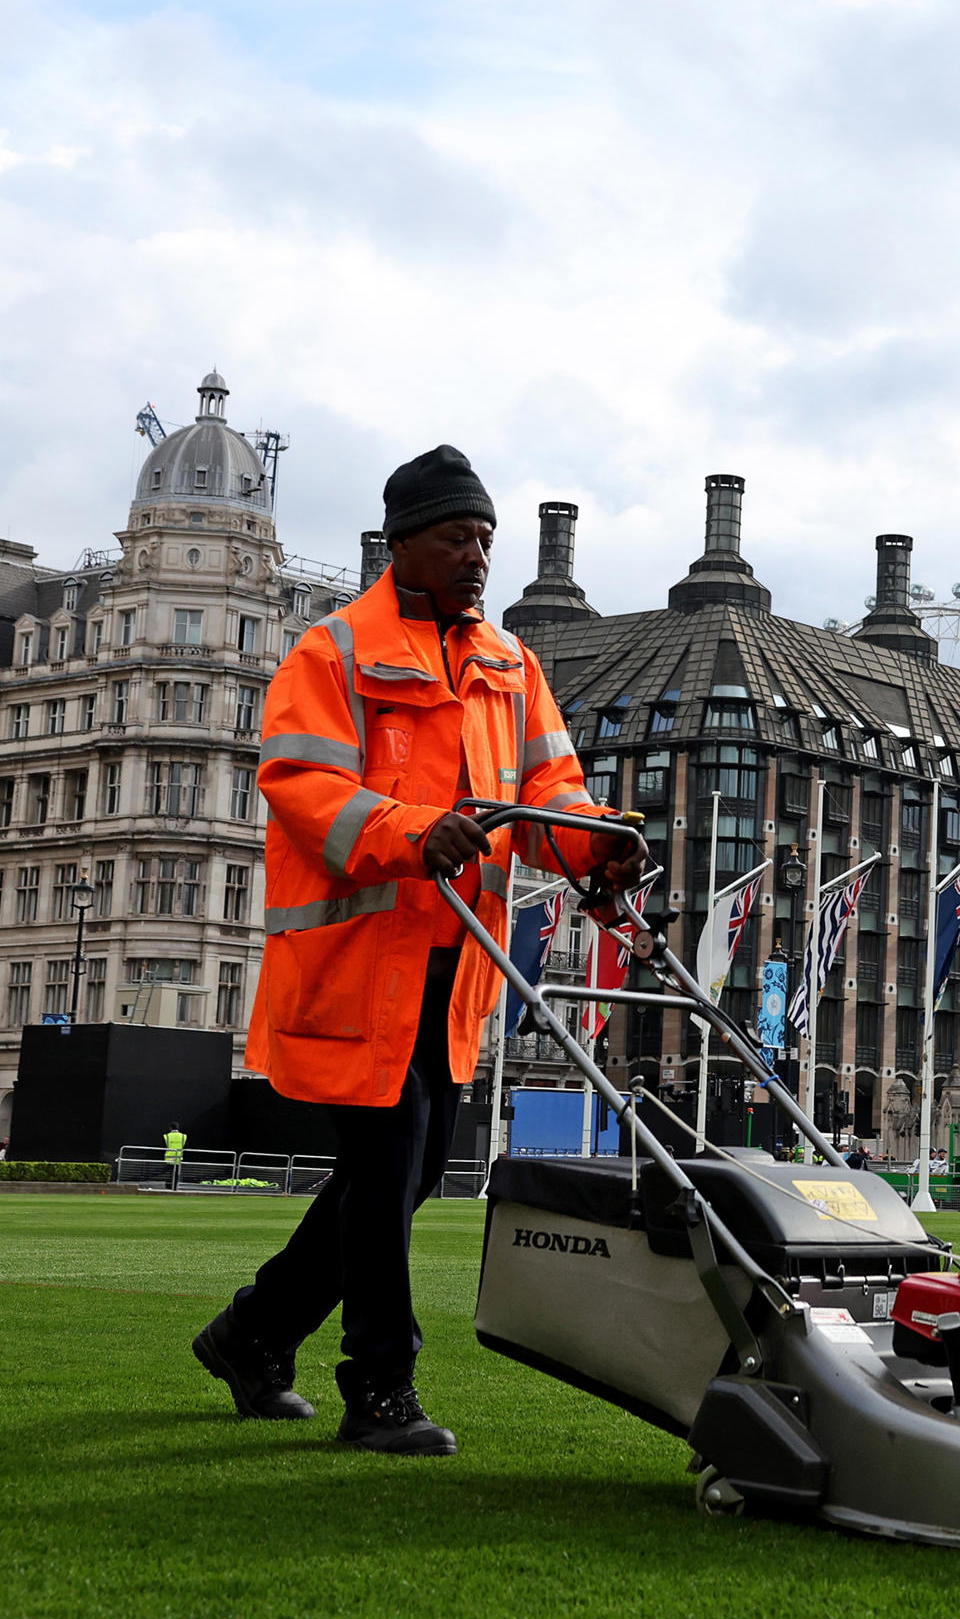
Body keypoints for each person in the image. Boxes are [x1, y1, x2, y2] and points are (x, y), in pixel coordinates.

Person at [192, 446, 646, 1456]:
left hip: (454, 971)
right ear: (403, 543)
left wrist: (599, 843)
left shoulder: (510, 665)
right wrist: (411, 831)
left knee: (405, 1172)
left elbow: (548, 800)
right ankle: (378, 1387)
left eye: (485, 537)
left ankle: (254, 1333)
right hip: (364, 962)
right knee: (391, 1164)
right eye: (457, 535)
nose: (477, 554)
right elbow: (300, 784)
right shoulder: (336, 652)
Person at [164, 1124, 187, 1189]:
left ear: (171, 1128)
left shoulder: (167, 1136)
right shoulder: (183, 1136)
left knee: (169, 1174)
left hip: (169, 1159)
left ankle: (169, 1188)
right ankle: (175, 1188)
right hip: (178, 1158)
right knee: (177, 1174)